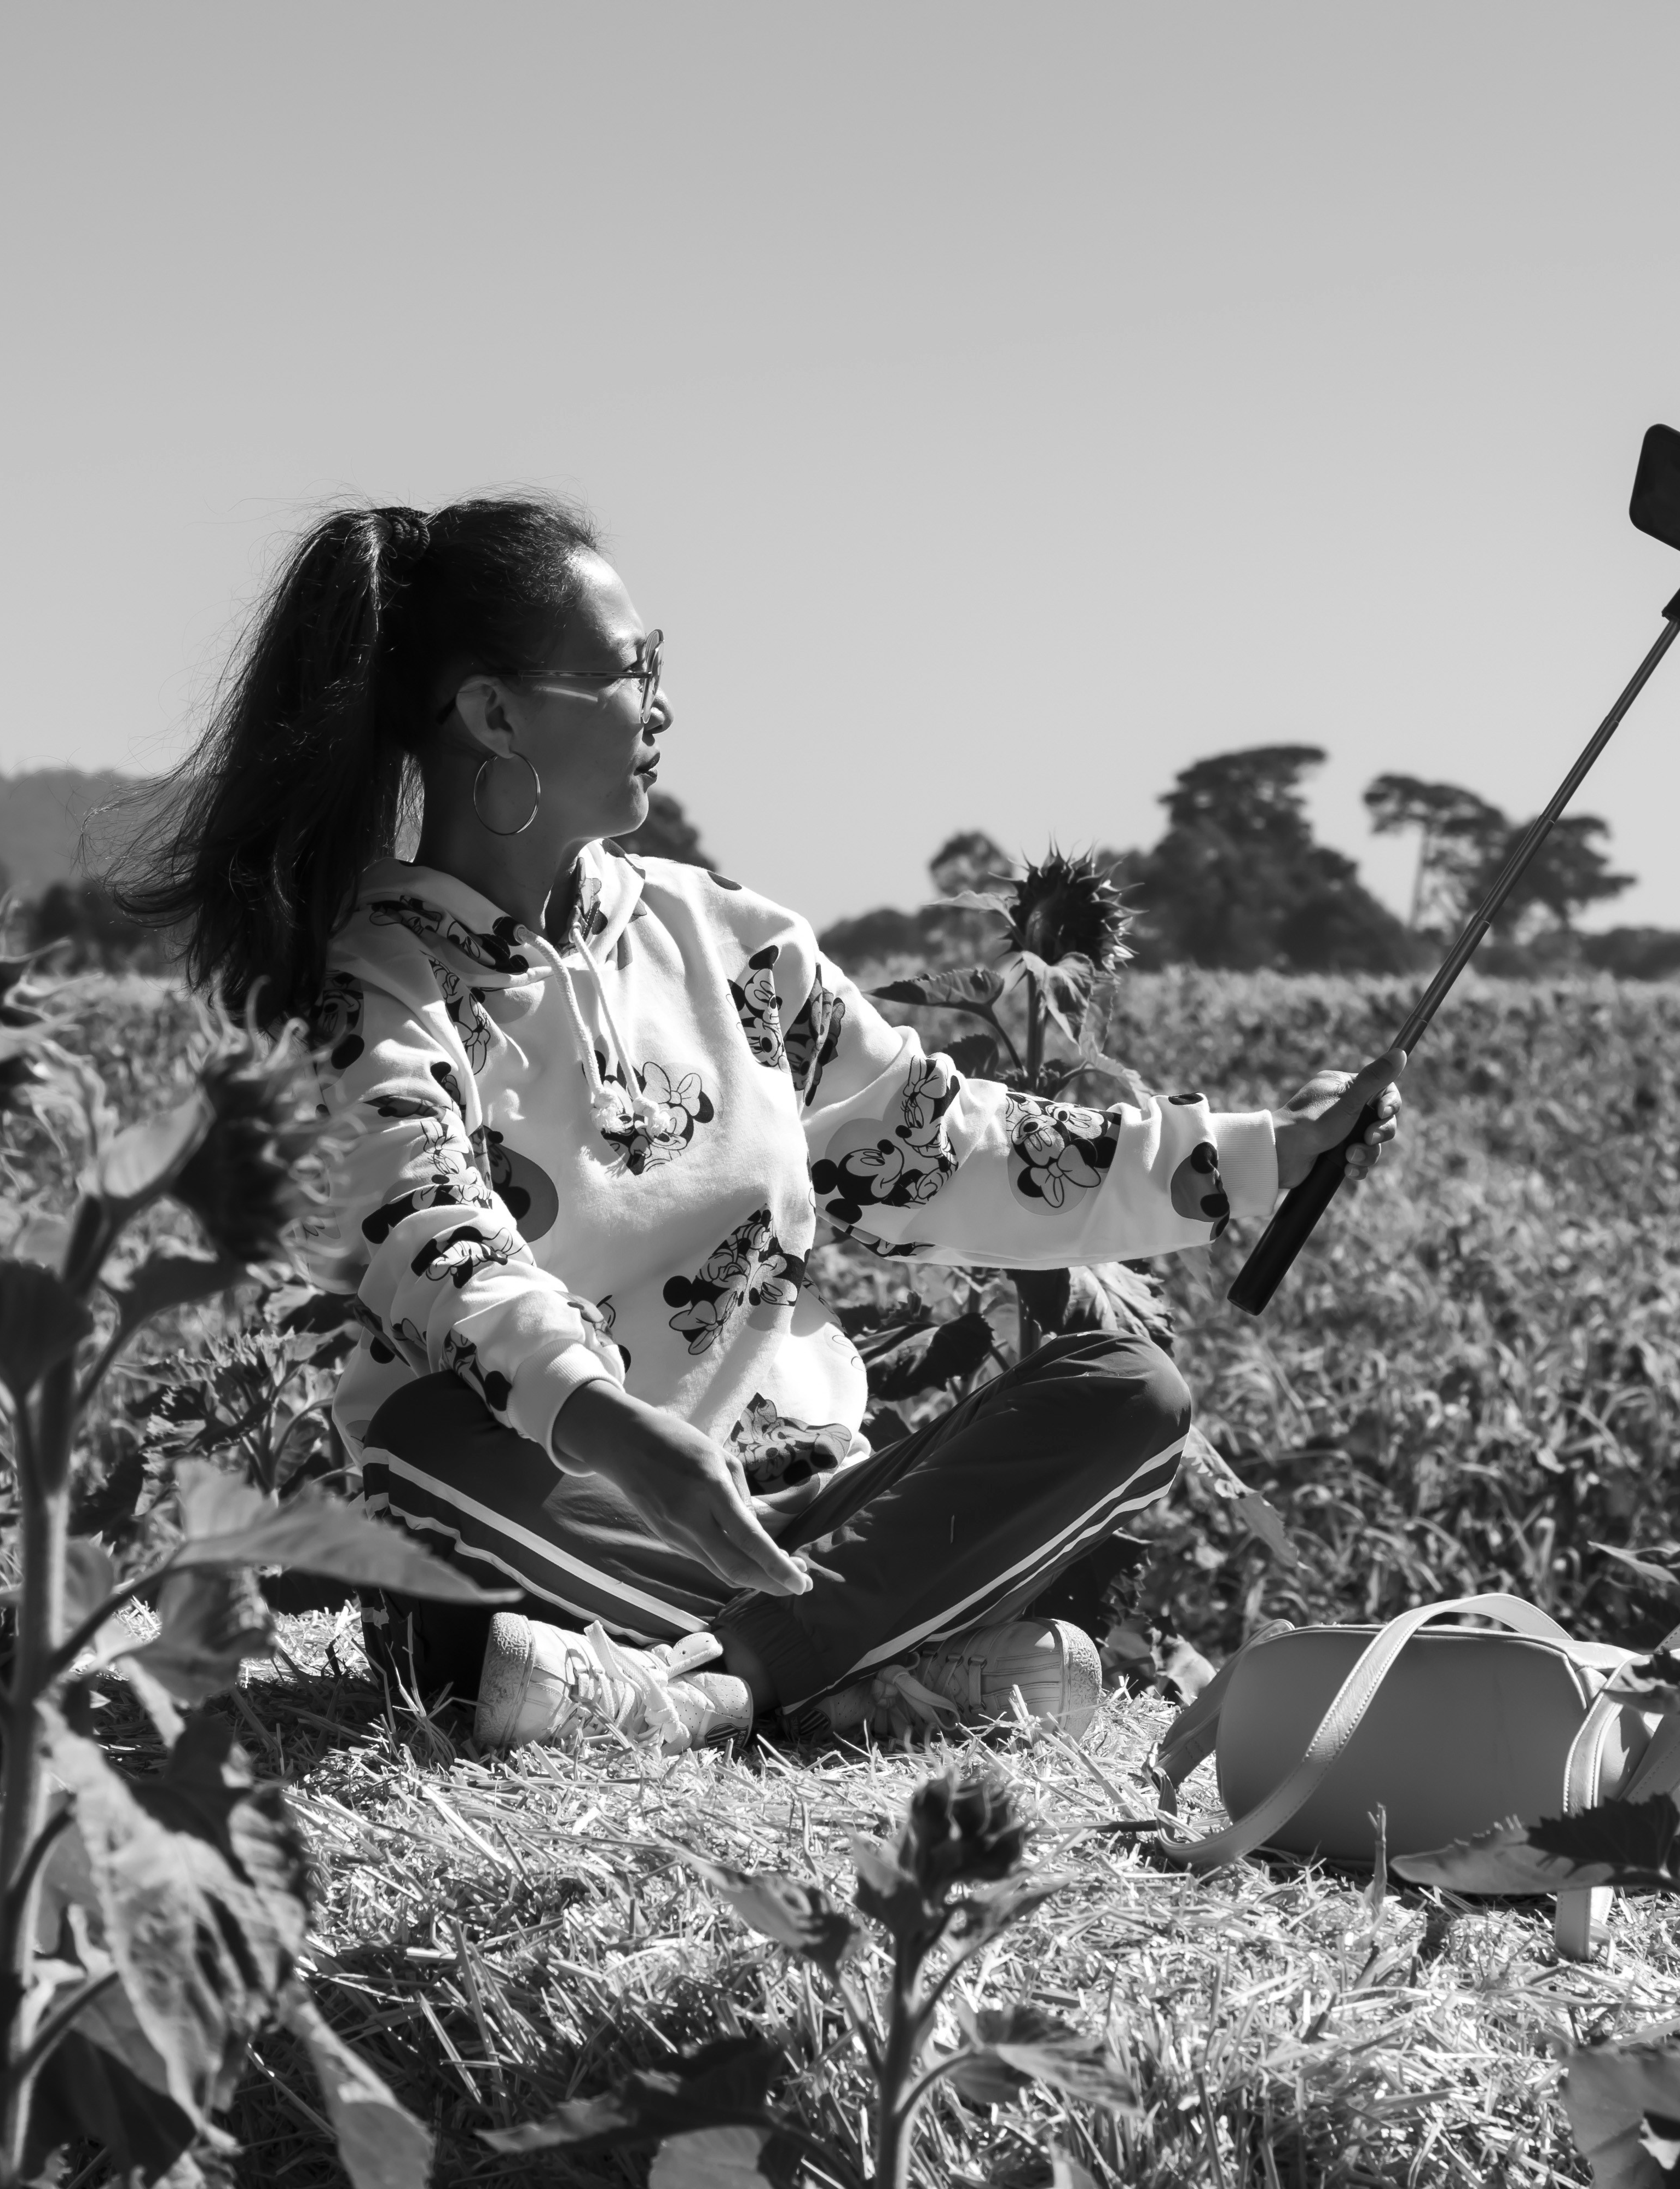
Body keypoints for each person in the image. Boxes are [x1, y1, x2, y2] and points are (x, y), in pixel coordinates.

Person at [125, 496, 1398, 1753]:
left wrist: (1272, 1147)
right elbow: (431, 1236)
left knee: (1130, 1388)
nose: (663, 703)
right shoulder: (378, 984)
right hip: (561, 1505)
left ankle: (718, 1689)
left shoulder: (724, 938)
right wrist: (625, 1434)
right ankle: (865, 1666)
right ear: (494, 712)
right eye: (633, 670)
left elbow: (942, 1140)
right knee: (423, 1452)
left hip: (803, 1502)